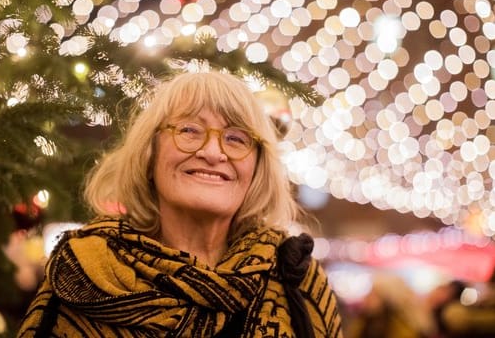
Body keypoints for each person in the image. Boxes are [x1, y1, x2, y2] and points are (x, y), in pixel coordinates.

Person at [17, 70, 343, 337]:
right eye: (189, 130)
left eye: (235, 138)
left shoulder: (297, 282)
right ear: (150, 153)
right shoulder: (84, 272)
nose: (213, 153)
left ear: (257, 167)